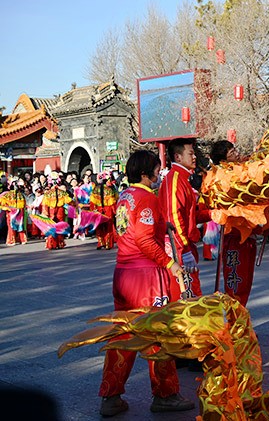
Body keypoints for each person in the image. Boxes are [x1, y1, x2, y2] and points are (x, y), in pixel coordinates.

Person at [98, 150, 194, 417]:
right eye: (155, 168)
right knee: (159, 333)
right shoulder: (147, 197)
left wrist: (164, 226)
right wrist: (170, 264)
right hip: (146, 277)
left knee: (123, 335)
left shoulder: (125, 197)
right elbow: (144, 240)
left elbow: (130, 232)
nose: (158, 173)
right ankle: (165, 393)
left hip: (123, 273)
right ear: (145, 173)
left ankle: (111, 394)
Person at [160, 138, 211, 299]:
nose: (194, 157)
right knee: (186, 297)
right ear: (178, 157)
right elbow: (173, 218)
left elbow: (189, 216)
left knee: (192, 293)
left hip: (185, 245)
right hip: (179, 248)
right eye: (190, 153)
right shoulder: (175, 180)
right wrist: (184, 250)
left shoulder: (183, 179)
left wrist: (212, 214)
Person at [209, 140, 257, 306]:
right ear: (223, 160)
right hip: (233, 237)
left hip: (247, 235)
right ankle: (234, 324)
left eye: (235, 150)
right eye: (232, 152)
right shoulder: (221, 177)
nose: (236, 153)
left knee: (245, 283)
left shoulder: (240, 171)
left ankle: (241, 322)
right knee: (236, 284)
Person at [41, 173, 73, 250]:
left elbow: (44, 204)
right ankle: (58, 243)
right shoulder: (60, 192)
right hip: (58, 210)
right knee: (57, 226)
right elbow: (69, 201)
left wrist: (45, 213)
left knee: (53, 226)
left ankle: (52, 244)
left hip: (54, 210)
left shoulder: (48, 193)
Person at [89, 172, 118, 250]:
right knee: (108, 226)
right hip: (108, 209)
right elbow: (113, 201)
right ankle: (108, 243)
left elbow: (92, 201)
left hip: (98, 208)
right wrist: (115, 211)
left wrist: (93, 210)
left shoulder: (95, 189)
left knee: (99, 226)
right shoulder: (110, 189)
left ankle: (101, 242)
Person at [3, 180, 27, 245]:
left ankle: (21, 239)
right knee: (11, 226)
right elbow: (2, 204)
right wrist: (9, 209)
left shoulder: (20, 195)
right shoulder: (7, 195)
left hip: (20, 212)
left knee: (20, 225)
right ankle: (11, 240)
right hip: (11, 213)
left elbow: (24, 204)